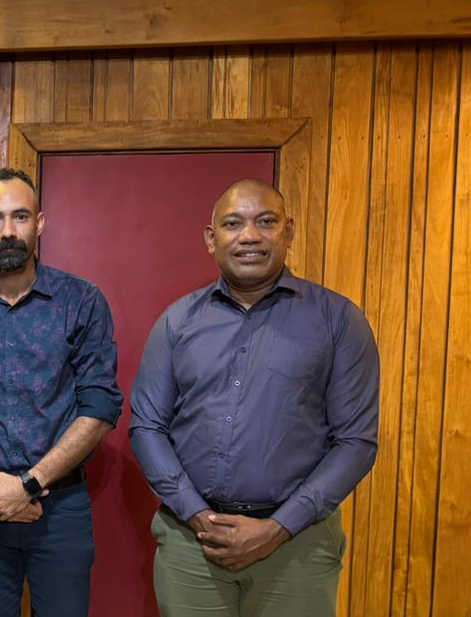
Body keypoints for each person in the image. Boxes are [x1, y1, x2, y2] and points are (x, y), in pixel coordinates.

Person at [129, 178, 379, 616]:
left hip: (296, 547)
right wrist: (196, 515)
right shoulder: (176, 322)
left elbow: (356, 442)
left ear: (289, 231)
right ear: (211, 239)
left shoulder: (339, 321)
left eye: (266, 222)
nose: (249, 236)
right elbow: (147, 426)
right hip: (193, 546)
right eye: (233, 223)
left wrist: (279, 527)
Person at [0, 167, 123, 616]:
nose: (9, 231)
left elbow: (99, 406)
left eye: (20, 216)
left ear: (40, 223)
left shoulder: (82, 302)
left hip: (61, 509)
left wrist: (30, 485)